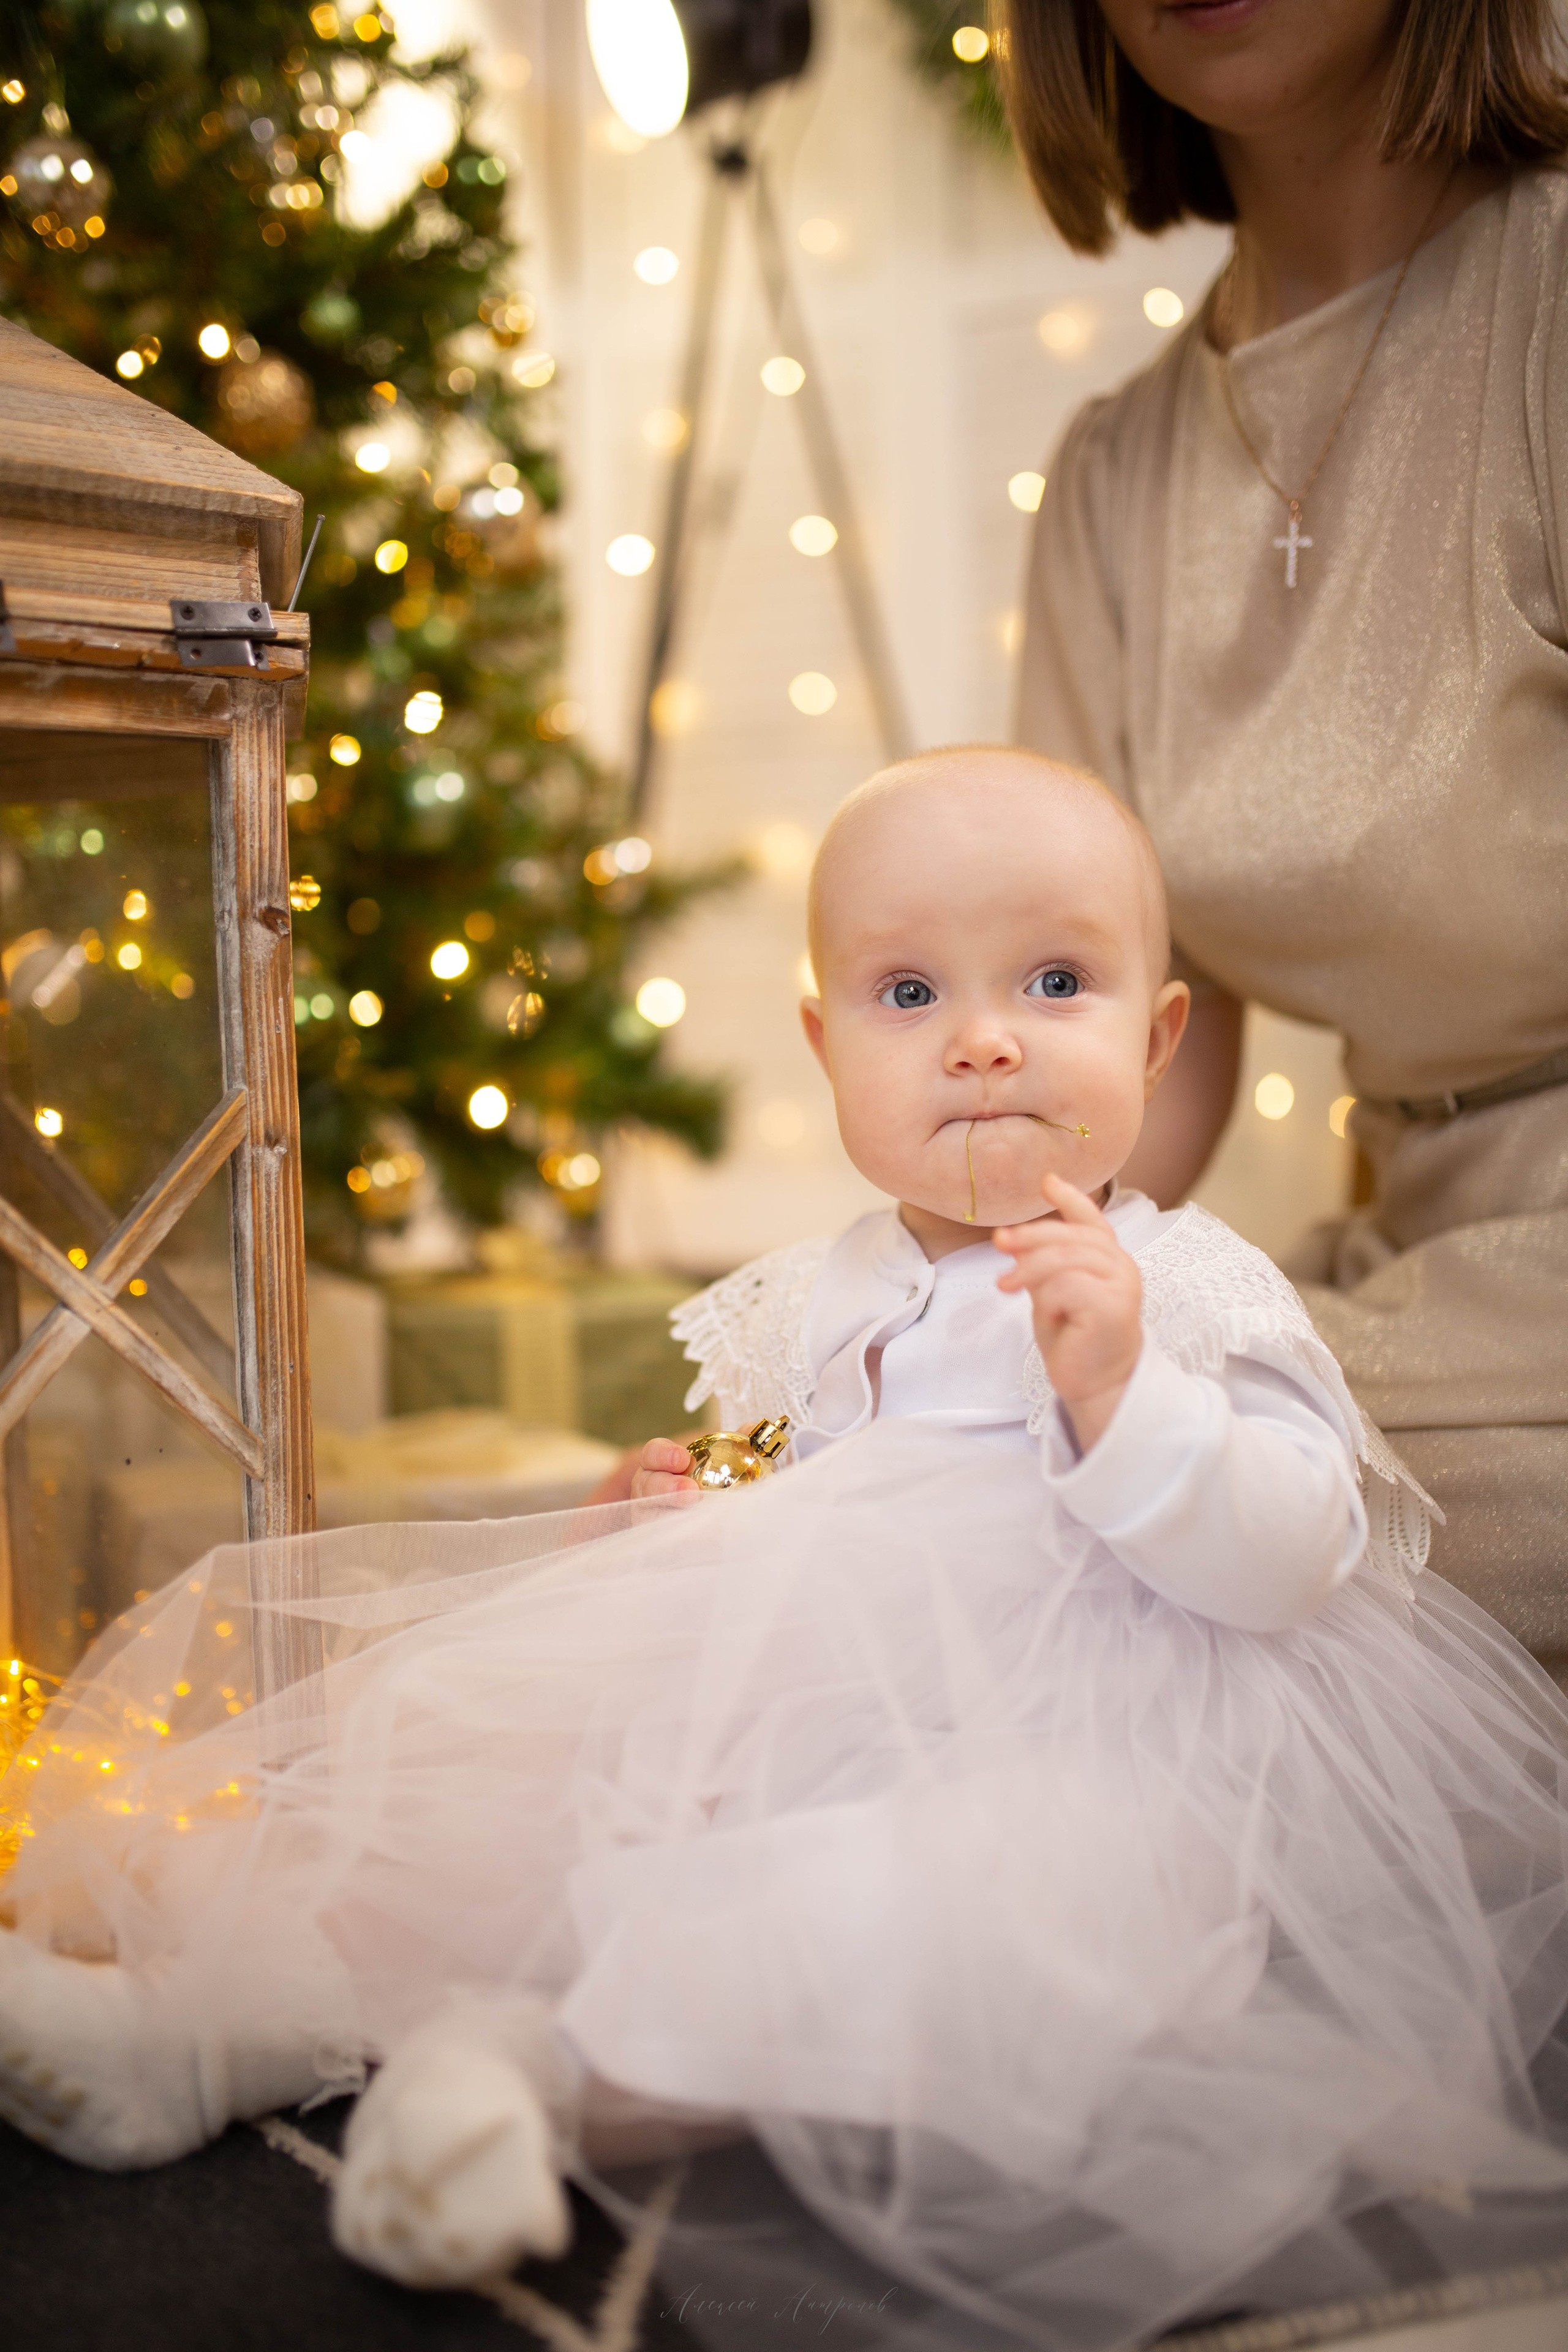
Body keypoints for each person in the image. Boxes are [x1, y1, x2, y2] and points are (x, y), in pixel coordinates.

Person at [2, 751, 1567, 2352]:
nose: (983, 1036)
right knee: (515, 1801)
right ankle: (207, 2028)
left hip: (1099, 1753)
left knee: (893, 1909)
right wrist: (662, 1530)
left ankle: (526, 2088)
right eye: (906, 993)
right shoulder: (822, 1292)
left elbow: (1292, 1554)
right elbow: (803, 1510)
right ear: (826, 1048)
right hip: (826, 1715)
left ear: (1160, 1036)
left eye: (1055, 980)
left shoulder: (1189, 1284)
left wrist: (1124, 1403)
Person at [1008, 0, 1568, 1660]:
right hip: (1410, 1266)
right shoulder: (1115, 479)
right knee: (995, 1461)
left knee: (1129, 1554)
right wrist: (967, 1301)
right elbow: (1125, 1039)